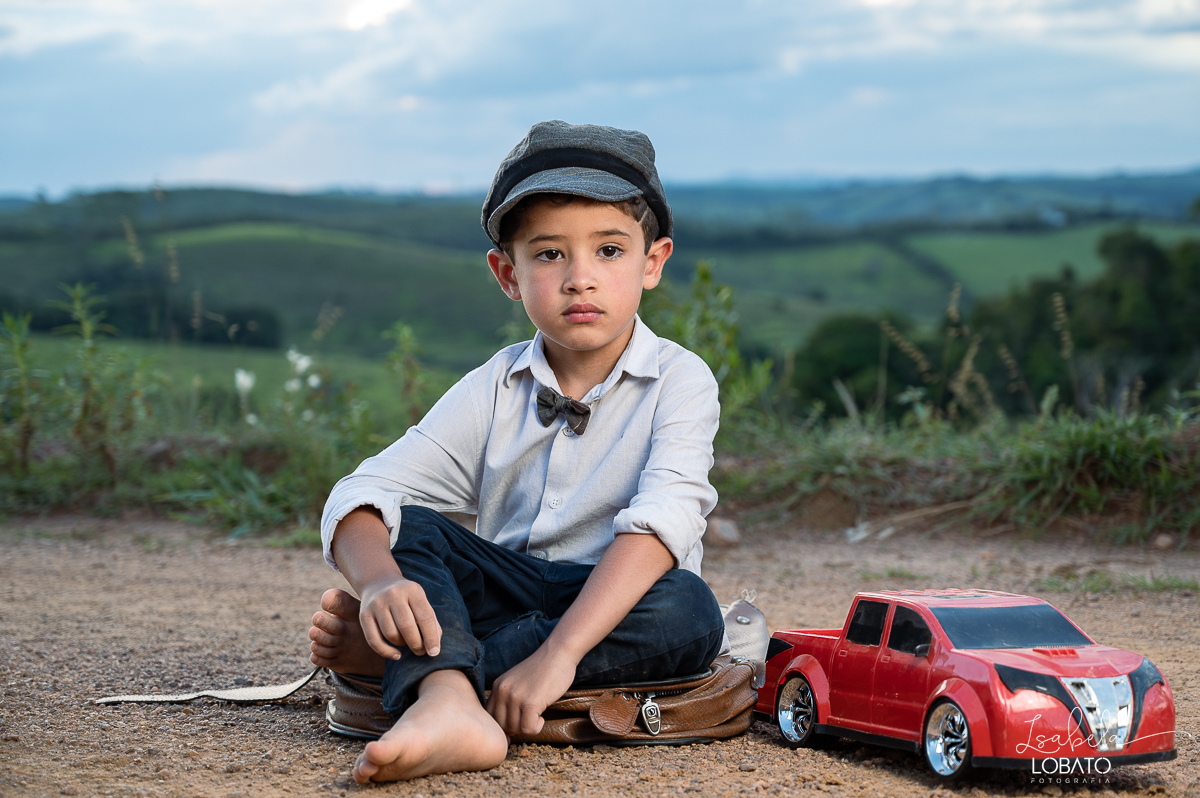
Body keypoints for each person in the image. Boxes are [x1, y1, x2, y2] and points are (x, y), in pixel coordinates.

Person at [307, 120, 726, 784]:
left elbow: (664, 521)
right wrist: (380, 583)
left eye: (609, 251)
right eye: (550, 254)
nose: (579, 279)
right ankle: (448, 705)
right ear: (508, 273)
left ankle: (418, 665)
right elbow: (365, 494)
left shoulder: (681, 379)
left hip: (621, 604)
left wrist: (559, 654)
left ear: (653, 262)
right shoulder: (494, 388)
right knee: (411, 527)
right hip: (506, 594)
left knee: (690, 610)